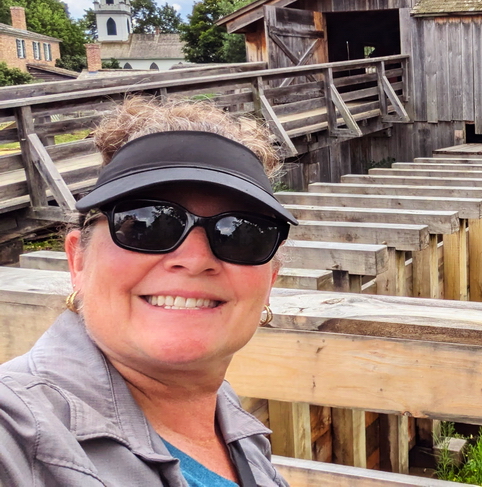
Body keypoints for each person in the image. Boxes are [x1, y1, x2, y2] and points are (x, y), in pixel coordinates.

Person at [0, 99, 297, 486]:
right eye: (145, 224)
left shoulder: (231, 422)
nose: (194, 260)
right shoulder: (14, 429)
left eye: (241, 233)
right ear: (79, 261)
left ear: (270, 281)